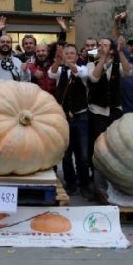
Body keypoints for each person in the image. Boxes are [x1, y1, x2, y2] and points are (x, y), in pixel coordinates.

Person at [49, 44, 91, 198]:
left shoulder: (84, 68)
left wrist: (68, 62)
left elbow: (79, 73)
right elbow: (51, 73)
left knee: (83, 155)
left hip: (81, 116)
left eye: (72, 53)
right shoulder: (61, 70)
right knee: (66, 154)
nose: (69, 55)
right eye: (67, 53)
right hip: (64, 117)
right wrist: (58, 60)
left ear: (77, 55)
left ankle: (84, 184)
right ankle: (71, 184)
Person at [86, 36, 131, 179]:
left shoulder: (117, 64)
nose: (100, 47)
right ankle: (96, 176)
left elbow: (129, 72)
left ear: (111, 50)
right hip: (97, 111)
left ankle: (112, 177)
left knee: (115, 145)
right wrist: (102, 60)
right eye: (99, 45)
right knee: (98, 145)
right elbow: (94, 78)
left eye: (104, 45)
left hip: (115, 110)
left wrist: (121, 52)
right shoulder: (91, 63)